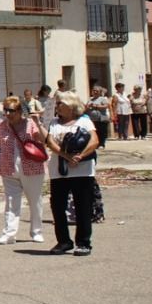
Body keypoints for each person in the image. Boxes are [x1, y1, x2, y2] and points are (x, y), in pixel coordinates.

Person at [43, 91, 101, 256]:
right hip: (59, 171)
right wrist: (66, 156)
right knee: (58, 207)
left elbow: (94, 140)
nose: (58, 106)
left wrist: (80, 156)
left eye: (61, 103)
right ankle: (63, 241)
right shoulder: (53, 122)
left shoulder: (84, 121)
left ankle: (83, 242)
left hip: (82, 170)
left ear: (70, 106)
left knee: (83, 206)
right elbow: (50, 142)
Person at [0, 97, 48, 244]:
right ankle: (9, 233)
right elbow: (0, 142)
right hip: (8, 168)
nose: (8, 114)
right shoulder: (1, 126)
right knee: (11, 202)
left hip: (32, 168)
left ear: (20, 111)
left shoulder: (30, 124)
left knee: (34, 201)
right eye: (6, 110)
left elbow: (43, 139)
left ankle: (36, 231)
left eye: (12, 110)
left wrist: (38, 123)